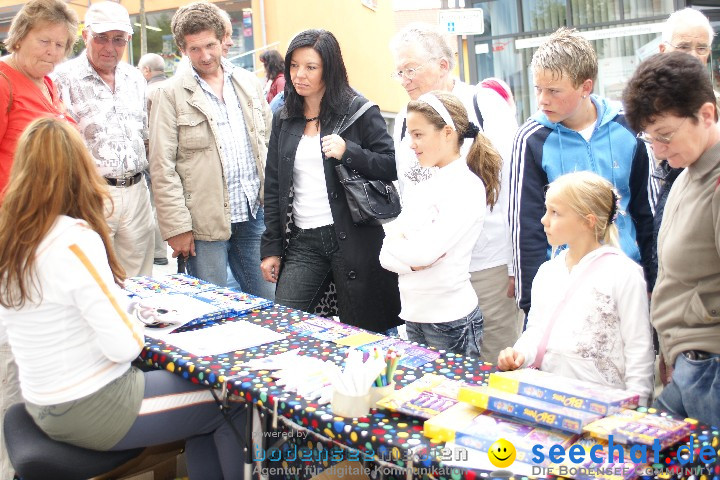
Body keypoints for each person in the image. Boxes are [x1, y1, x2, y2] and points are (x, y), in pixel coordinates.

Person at [0, 117, 247, 479]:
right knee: (233, 400)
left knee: (202, 400)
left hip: (43, 399)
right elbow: (123, 347)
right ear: (81, 169)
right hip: (92, 406)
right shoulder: (72, 239)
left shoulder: (14, 238)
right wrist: (128, 316)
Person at [389, 23, 520, 363]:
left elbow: (514, 188)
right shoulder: (404, 118)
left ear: (444, 65)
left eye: (411, 68)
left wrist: (515, 264)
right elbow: (408, 193)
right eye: (399, 71)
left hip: (488, 264)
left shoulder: (484, 104)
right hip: (431, 278)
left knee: (494, 362)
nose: (405, 79)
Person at [260, 29, 401, 334]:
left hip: (352, 238)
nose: (299, 75)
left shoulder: (358, 111)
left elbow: (390, 164)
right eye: (294, 66)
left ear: (330, 69)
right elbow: (273, 184)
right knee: (285, 323)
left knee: (364, 332)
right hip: (302, 241)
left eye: (311, 67)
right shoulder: (284, 116)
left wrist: (349, 151)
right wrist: (271, 246)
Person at [509, 27, 655, 316]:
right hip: (565, 290)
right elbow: (526, 226)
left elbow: (646, 211)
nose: (542, 100)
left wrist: (654, 280)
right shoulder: (531, 138)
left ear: (585, 87)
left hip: (627, 282)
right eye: (538, 89)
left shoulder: (628, 127)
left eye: (553, 91)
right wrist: (531, 303)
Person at [0, 1, 78, 477]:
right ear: (19, 34)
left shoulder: (46, 82)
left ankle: (39, 437)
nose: (51, 52)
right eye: (43, 41)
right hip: (15, 235)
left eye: (60, 45)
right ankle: (11, 458)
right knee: (12, 347)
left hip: (45, 235)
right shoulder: (5, 80)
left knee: (40, 343)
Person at [150, 2, 274, 299]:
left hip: (254, 214)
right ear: (183, 48)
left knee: (268, 302)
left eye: (210, 45)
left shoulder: (248, 83)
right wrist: (176, 227)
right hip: (203, 225)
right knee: (211, 306)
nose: (205, 56)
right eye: (194, 49)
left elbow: (269, 144)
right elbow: (161, 165)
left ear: (222, 41)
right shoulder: (169, 94)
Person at [498, 172, 655, 405]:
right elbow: (537, 330)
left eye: (555, 213)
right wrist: (519, 354)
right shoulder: (548, 272)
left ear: (587, 221)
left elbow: (639, 348)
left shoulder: (623, 273)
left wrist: (637, 405)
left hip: (604, 404)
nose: (544, 220)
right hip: (549, 397)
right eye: (546, 210)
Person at [623, 52, 720, 426]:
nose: (659, 150)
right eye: (651, 140)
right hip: (687, 366)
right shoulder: (686, 172)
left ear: (706, 115)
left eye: (665, 136)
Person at [379, 92, 501, 357]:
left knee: (453, 397)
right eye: (410, 135)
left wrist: (402, 247)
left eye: (418, 134)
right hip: (414, 314)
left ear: (447, 132)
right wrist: (409, 256)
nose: (411, 144)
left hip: (450, 319)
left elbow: (423, 252)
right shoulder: (427, 183)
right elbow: (384, 253)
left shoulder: (467, 186)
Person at [53, 1, 154, 278]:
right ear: (86, 35)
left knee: (139, 280)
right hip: (89, 192)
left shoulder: (135, 78)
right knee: (90, 277)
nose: (110, 47)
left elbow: (145, 135)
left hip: (136, 191)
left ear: (127, 40)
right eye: (102, 38)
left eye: (118, 39)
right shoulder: (61, 78)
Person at [648, 8, 715, 291]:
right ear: (663, 50)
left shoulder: (715, 106)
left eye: (701, 48)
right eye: (684, 46)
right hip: (663, 239)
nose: (694, 55)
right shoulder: (647, 106)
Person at [138, 52, 169, 267]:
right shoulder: (174, 89)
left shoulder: (146, 92)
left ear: (147, 71)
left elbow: (144, 132)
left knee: (153, 204)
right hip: (175, 156)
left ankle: (158, 250)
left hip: (153, 157)